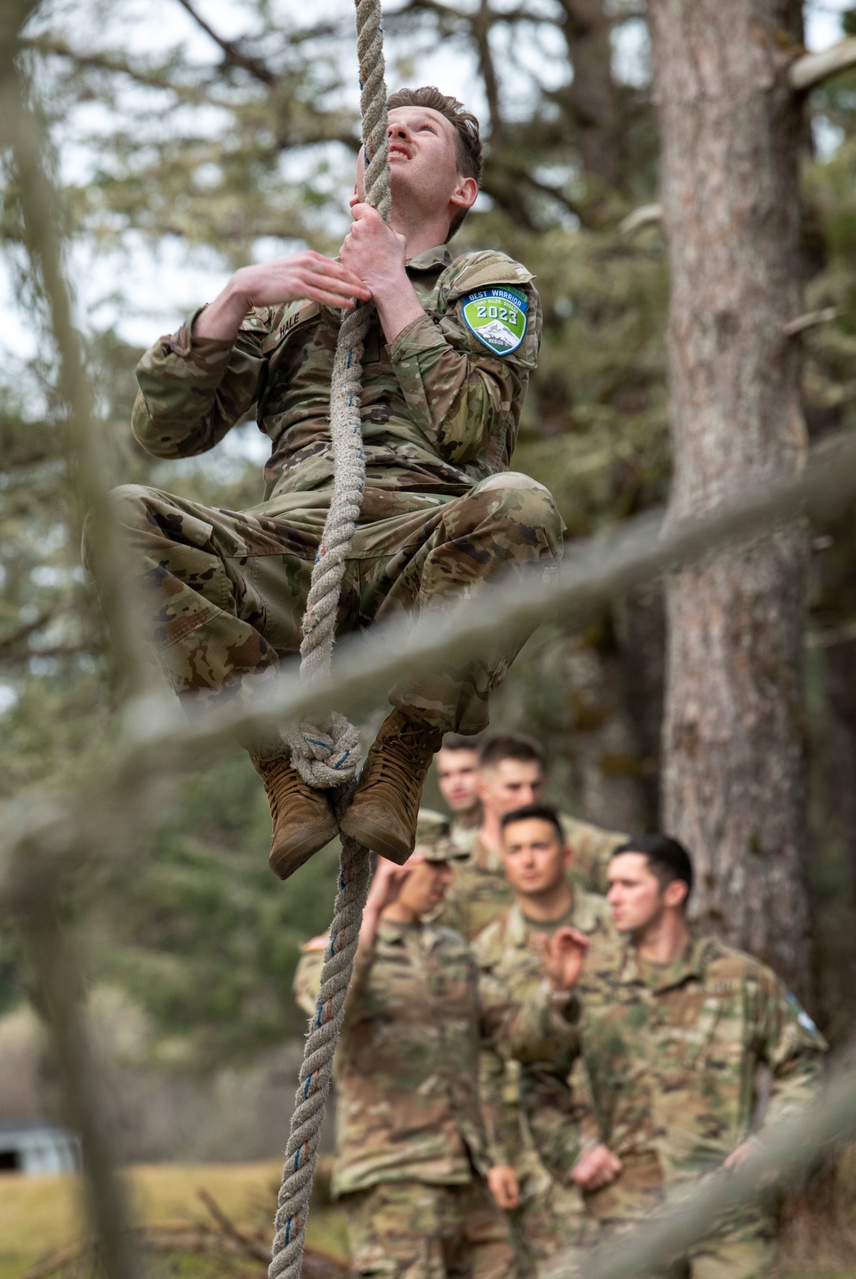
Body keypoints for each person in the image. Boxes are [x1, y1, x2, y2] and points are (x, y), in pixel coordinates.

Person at [110, 87, 563, 879]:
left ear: (465, 190)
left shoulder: (485, 283)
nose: (395, 133)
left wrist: (391, 285)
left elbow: (473, 428)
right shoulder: (296, 302)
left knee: (523, 506)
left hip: (420, 555)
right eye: (380, 130)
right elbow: (164, 433)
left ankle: (403, 753)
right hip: (292, 552)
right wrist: (235, 299)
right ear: (357, 179)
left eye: (421, 130)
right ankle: (279, 759)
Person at [512, 835, 827, 1279]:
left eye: (628, 884)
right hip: (626, 1219)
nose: (612, 897)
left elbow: (804, 1063)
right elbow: (535, 1067)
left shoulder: (740, 979)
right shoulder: (590, 977)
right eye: (610, 885)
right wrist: (572, 1148)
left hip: (725, 1211)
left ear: (673, 893)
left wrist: (771, 1143)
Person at [294, 810, 517, 1279]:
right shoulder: (332, 949)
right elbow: (332, 1010)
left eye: (449, 867)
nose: (445, 879)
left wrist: (559, 993)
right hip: (394, 1175)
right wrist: (371, 910)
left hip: (469, 1173)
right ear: (399, 865)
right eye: (435, 866)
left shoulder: (454, 951)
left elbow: (513, 1031)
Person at [474, 805, 617, 1271]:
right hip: (537, 1149)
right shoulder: (488, 951)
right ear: (502, 861)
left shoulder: (617, 926)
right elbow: (488, 1065)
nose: (528, 860)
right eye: (515, 850)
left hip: (623, 1128)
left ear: (567, 855)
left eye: (540, 846)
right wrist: (499, 1156)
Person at [440, 733, 627, 941]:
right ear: (483, 789)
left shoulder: (580, 842)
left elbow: (646, 876)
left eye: (535, 786)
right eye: (514, 787)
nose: (528, 798)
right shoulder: (457, 861)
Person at [436, 734, 483, 850]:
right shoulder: (442, 842)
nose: (455, 784)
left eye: (466, 771)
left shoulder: (512, 834)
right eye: (445, 775)